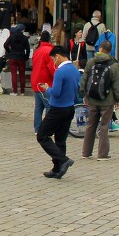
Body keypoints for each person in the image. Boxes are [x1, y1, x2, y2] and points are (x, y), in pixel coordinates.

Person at [37, 45, 79, 179]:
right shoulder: (74, 69)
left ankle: (62, 160)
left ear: (58, 56)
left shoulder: (60, 72)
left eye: (54, 60)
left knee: (42, 135)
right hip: (69, 107)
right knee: (60, 139)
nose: (54, 63)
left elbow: (56, 92)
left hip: (58, 108)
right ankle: (57, 169)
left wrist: (47, 89)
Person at [80, 48, 119, 159]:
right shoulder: (114, 65)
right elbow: (117, 83)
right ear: (110, 50)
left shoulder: (91, 61)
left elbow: (85, 78)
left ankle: (86, 152)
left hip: (92, 98)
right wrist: (118, 99)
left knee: (90, 125)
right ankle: (102, 154)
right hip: (107, 100)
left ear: (101, 49)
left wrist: (84, 94)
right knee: (104, 126)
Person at [30, 32, 56, 133]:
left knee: (38, 106)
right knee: (49, 106)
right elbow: (52, 68)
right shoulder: (49, 51)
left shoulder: (37, 50)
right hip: (45, 82)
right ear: (49, 39)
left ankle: (37, 128)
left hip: (35, 81)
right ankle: (47, 129)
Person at [3, 24, 30, 95]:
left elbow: (5, 45)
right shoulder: (25, 38)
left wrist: (9, 52)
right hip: (21, 57)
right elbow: (28, 49)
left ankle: (15, 91)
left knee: (14, 74)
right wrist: (26, 57)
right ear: (23, 30)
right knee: (22, 74)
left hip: (13, 56)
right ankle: (22, 91)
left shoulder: (11, 36)